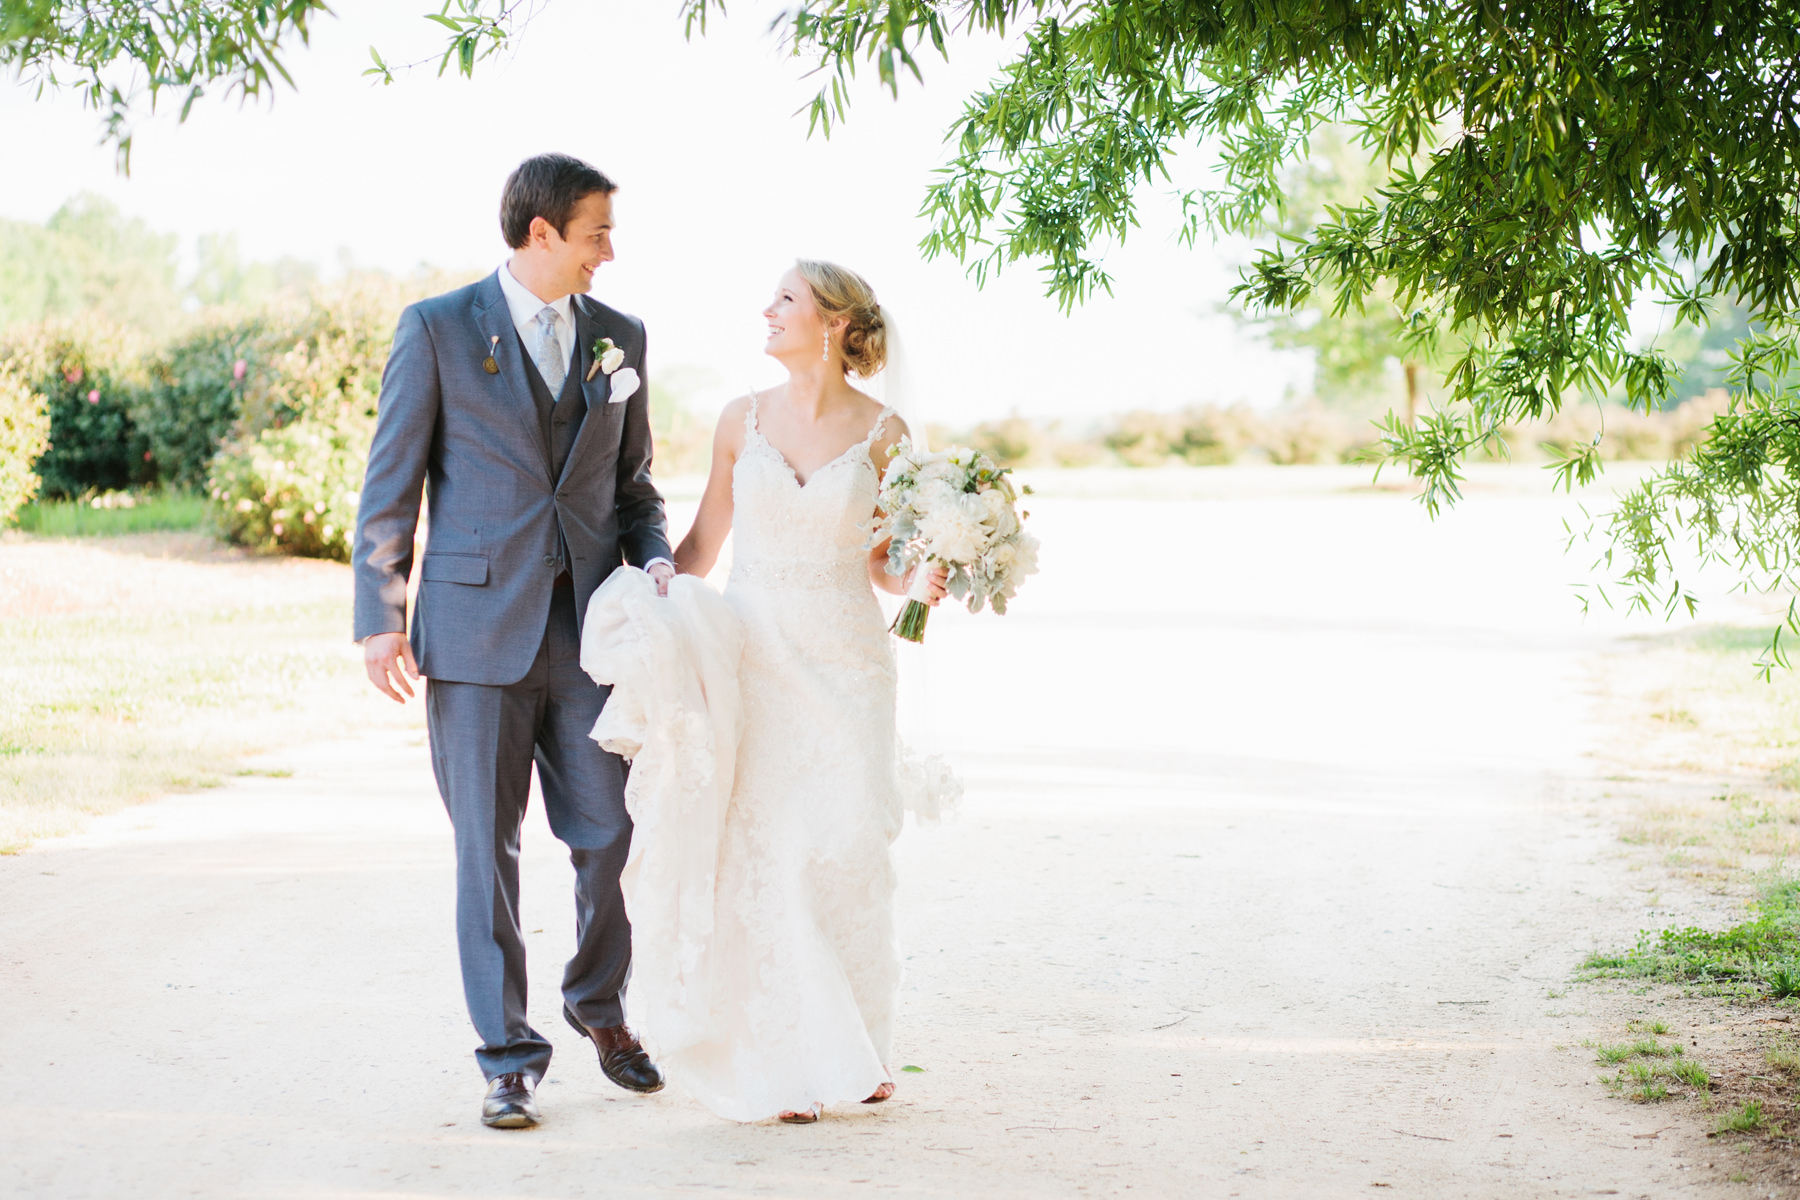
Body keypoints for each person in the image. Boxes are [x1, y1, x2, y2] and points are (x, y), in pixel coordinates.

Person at [351, 153, 675, 1130]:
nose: (609, 254)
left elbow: (634, 490)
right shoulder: (438, 329)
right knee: (482, 855)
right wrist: (379, 615)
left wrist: (655, 558)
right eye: (596, 234)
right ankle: (506, 1055)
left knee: (610, 832)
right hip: (473, 632)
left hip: (589, 639)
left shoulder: (622, 339)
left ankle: (599, 1007)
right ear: (542, 233)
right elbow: (391, 483)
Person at [653, 260, 950, 1122]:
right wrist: (658, 581)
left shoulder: (885, 432)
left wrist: (924, 572)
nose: (767, 309)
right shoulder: (738, 421)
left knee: (846, 842)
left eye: (785, 298)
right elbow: (706, 539)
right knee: (767, 850)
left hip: (849, 661)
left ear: (831, 320)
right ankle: (787, 1066)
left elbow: (884, 563)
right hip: (755, 655)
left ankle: (854, 1041)